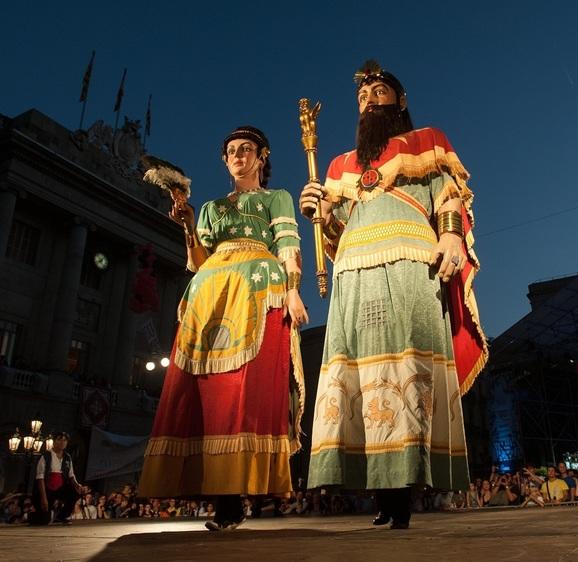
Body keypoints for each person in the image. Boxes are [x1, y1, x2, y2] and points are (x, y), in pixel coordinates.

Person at [299, 60, 487, 530]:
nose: (369, 101)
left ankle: (404, 491)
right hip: (354, 269)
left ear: (399, 101)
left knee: (406, 367)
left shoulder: (427, 139)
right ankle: (380, 492)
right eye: (363, 97)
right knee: (361, 377)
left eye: (379, 92)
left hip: (410, 260)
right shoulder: (341, 164)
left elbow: (450, 196)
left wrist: (450, 237)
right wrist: (318, 215)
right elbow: (336, 233)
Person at [139, 125, 307, 531]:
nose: (237, 155)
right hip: (210, 293)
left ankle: (236, 498)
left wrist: (293, 291)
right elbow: (197, 259)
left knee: (244, 392)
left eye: (246, 149)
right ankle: (221, 499)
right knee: (206, 394)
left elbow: (287, 246)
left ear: (262, 156)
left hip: (257, 291)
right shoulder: (212, 208)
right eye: (231, 150)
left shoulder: (276, 198)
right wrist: (187, 223)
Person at [29, 431, 86, 525]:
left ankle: (61, 516)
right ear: (54, 441)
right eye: (59, 439)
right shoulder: (46, 456)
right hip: (46, 489)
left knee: (74, 493)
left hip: (59, 488)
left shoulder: (67, 457)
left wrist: (77, 485)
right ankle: (33, 516)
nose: (62, 442)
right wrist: (44, 498)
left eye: (65, 440)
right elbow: (40, 478)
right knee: (44, 520)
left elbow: (71, 475)